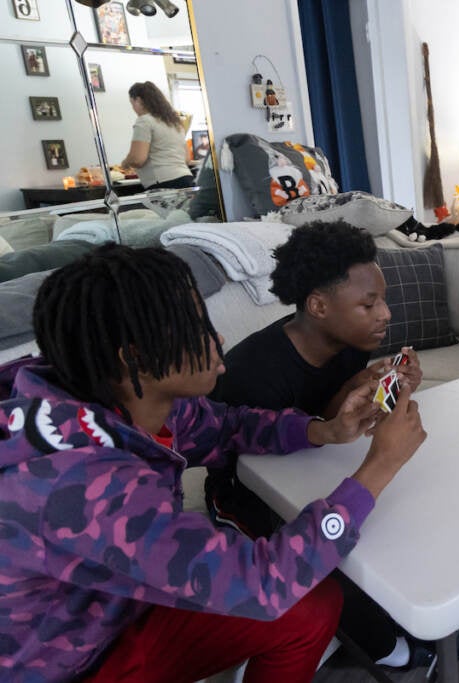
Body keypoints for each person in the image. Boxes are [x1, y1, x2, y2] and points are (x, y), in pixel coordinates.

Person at [0, 244, 425, 682]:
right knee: (292, 592)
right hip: (69, 666)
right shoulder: (78, 484)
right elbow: (263, 582)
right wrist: (379, 467)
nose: (217, 338)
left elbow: (226, 427)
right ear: (136, 358)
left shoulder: (116, 395)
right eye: (195, 327)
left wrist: (327, 429)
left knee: (311, 607)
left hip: (120, 611)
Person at [207, 220, 459, 671]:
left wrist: (366, 383)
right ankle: (385, 648)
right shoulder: (251, 372)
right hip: (245, 494)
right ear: (318, 305)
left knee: (398, 519)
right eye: (369, 304)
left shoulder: (348, 342)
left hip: (314, 464)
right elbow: (250, 461)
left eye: (382, 299)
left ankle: (400, 618)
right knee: (331, 565)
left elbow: (324, 417)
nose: (385, 313)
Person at [120, 81, 195, 190]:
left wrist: (126, 162)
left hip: (164, 183)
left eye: (132, 103)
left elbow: (137, 159)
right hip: (187, 179)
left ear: (138, 100)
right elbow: (187, 159)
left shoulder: (144, 121)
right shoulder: (175, 123)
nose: (133, 108)